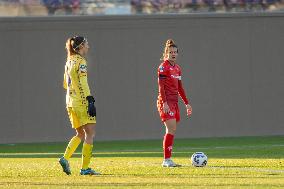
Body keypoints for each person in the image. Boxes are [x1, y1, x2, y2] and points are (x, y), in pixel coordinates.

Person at [59, 35, 99, 175]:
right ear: (81, 46)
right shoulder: (81, 62)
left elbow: (65, 84)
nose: (88, 46)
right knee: (90, 133)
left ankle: (65, 158)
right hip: (81, 101)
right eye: (86, 44)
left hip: (69, 101)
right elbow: (83, 82)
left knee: (80, 133)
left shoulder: (69, 61)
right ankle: (85, 168)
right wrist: (90, 99)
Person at [157, 39, 192, 167]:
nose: (173, 54)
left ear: (177, 54)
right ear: (166, 53)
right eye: (170, 52)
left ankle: (168, 159)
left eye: (175, 52)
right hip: (165, 101)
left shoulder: (177, 68)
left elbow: (180, 88)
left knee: (172, 129)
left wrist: (186, 103)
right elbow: (161, 87)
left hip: (174, 102)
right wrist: (164, 103)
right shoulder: (163, 67)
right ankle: (166, 160)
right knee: (171, 128)